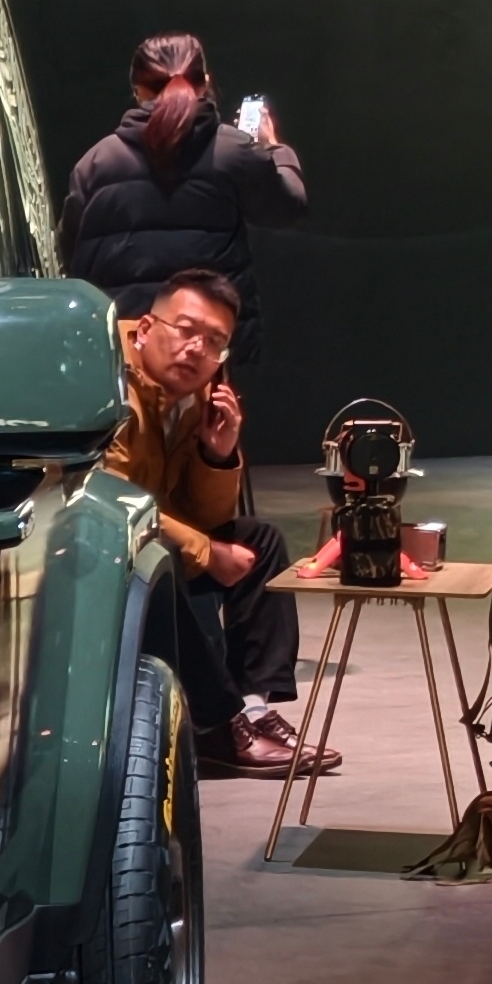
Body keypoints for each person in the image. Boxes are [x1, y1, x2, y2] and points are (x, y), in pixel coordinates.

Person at [101, 267, 325, 776]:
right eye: (186, 330)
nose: (197, 350)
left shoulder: (196, 396)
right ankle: (216, 725)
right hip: (106, 546)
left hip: (156, 530)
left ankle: (254, 709)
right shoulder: (108, 386)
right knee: (165, 559)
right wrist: (207, 553)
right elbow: (111, 501)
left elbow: (206, 516)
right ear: (145, 329)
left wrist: (216, 455)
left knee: (260, 541)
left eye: (215, 342)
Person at [60, 32, 305, 368]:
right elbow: (288, 206)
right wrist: (273, 149)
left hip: (123, 353)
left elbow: (71, 254)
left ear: (138, 90)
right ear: (205, 83)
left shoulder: (95, 163)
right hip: (209, 355)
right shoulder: (233, 152)